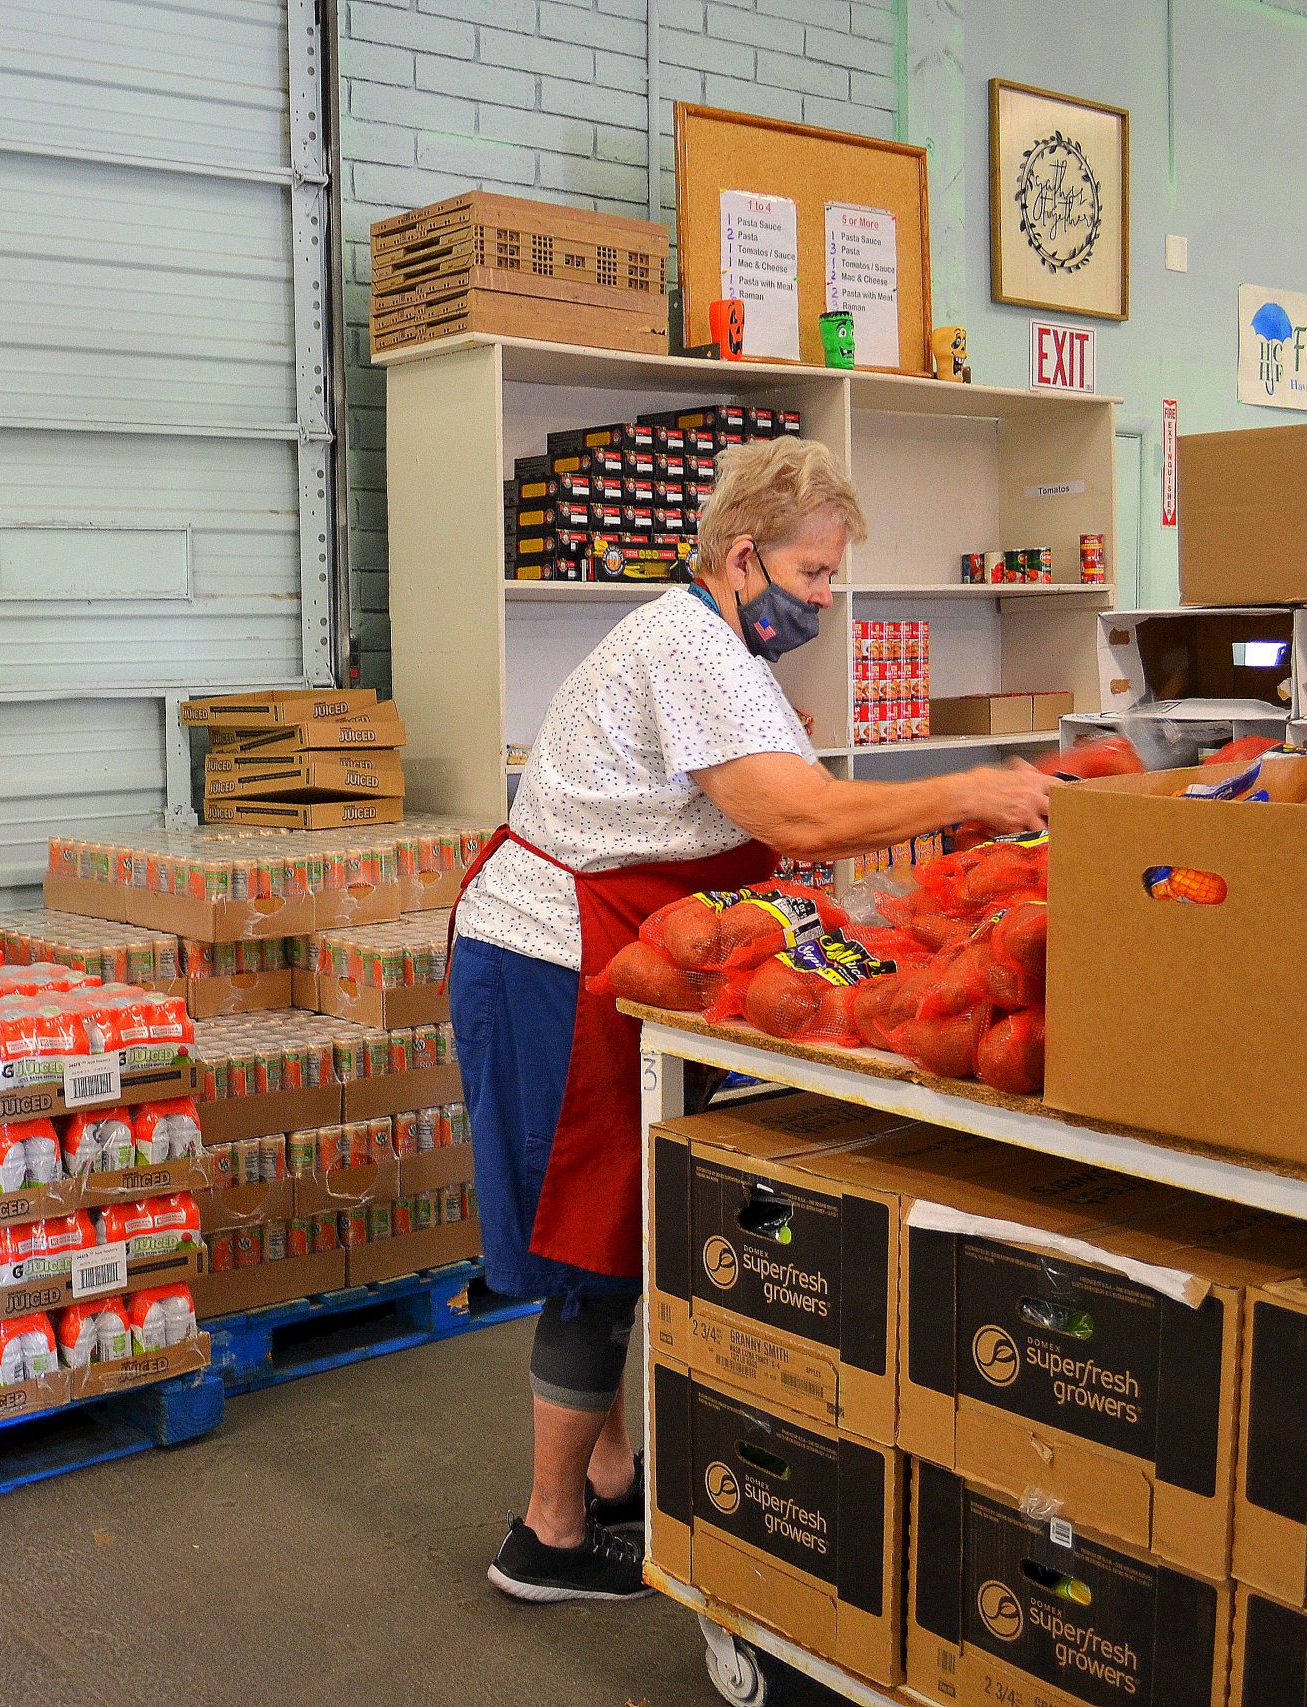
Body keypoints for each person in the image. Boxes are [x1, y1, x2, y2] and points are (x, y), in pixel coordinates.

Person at [450, 437, 1056, 1603]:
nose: (825, 597)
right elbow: (804, 817)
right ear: (743, 558)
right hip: (556, 951)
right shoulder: (688, 645)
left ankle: (608, 1478)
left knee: (616, 1230)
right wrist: (973, 790)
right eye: (816, 574)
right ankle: (547, 1534)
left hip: (608, 944)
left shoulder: (711, 642)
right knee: (594, 1243)